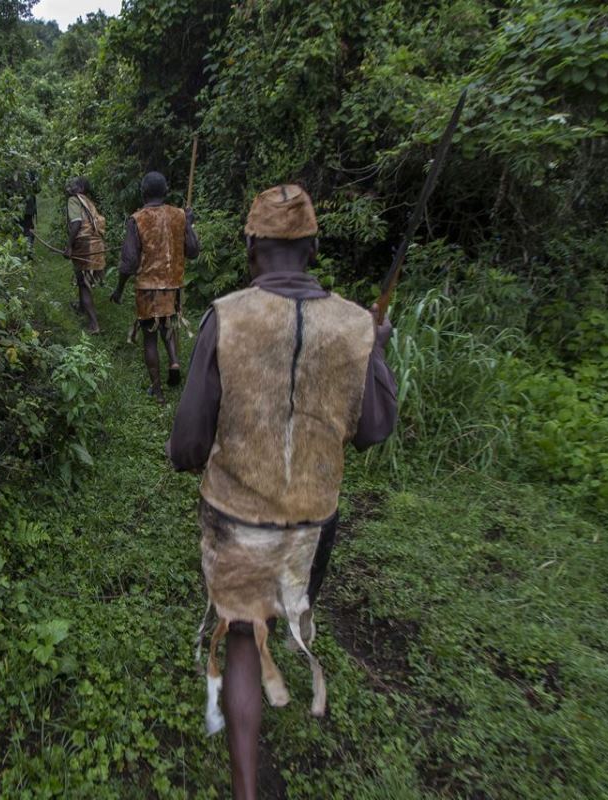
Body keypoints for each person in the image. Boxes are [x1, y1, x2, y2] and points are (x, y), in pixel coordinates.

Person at [166, 184, 398, 800]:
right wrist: (376, 351)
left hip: (237, 522)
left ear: (251, 247)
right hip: (312, 527)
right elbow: (374, 430)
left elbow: (186, 449)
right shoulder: (354, 325)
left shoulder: (227, 316)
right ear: (314, 247)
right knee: (273, 616)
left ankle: (245, 789)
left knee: (241, 636)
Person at [112, 171, 200, 401]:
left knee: (150, 338)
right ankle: (174, 361)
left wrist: (119, 288)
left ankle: (158, 391)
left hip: (148, 288)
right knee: (168, 324)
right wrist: (188, 225)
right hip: (174, 286)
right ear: (166, 191)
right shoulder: (179, 215)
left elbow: (129, 263)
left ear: (143, 192)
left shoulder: (137, 219)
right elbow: (193, 252)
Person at [65, 177, 106, 333]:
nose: (70, 185)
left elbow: (76, 223)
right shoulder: (87, 201)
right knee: (82, 277)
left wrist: (69, 246)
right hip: (96, 243)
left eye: (74, 183)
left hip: (85, 245)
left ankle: (94, 325)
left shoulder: (74, 200)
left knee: (83, 284)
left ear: (80, 187)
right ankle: (82, 307)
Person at [21, 170, 38, 257]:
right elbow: (37, 188)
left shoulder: (12, 167)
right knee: (27, 228)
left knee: (23, 228)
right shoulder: (29, 169)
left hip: (19, 205)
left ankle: (27, 250)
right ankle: (28, 250)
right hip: (27, 206)